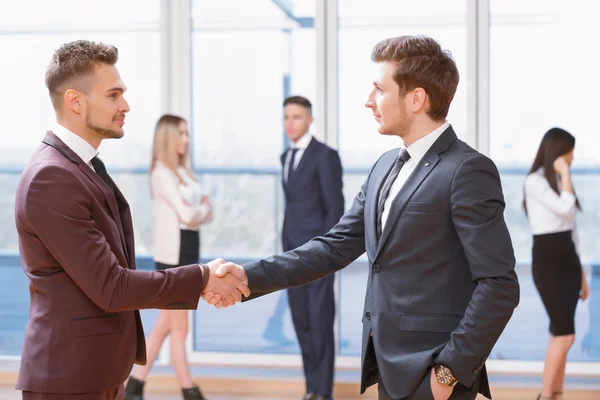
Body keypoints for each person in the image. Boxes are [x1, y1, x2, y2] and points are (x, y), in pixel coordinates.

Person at [207, 35, 520, 400]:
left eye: (379, 90)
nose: (369, 101)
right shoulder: (385, 166)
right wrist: (248, 276)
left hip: (434, 372)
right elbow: (332, 247)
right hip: (387, 364)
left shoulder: (467, 170)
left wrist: (449, 371)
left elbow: (499, 284)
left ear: (416, 98)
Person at [14, 40, 248, 399]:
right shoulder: (52, 177)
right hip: (69, 378)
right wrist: (202, 277)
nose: (125, 105)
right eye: (113, 95)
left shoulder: (81, 167)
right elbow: (111, 287)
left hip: (98, 371)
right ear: (75, 101)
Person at [125, 115, 214, 400]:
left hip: (188, 253)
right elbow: (191, 213)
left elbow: (206, 212)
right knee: (179, 329)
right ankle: (189, 389)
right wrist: (197, 210)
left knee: (167, 325)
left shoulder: (184, 173)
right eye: (182, 134)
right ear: (167, 138)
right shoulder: (161, 173)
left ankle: (135, 386)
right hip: (173, 258)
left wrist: (196, 211)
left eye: (187, 133)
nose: (187, 139)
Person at [278, 95, 344, 400]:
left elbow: (335, 209)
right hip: (290, 255)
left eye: (297, 117)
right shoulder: (286, 157)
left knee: (320, 326)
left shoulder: (325, 156)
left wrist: (327, 254)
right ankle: (310, 390)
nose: (291, 123)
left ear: (310, 119)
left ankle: (323, 392)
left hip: (317, 256)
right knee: (302, 323)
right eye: (287, 117)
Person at [523, 128, 590, 400]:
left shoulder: (557, 184)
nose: (573, 158)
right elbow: (565, 208)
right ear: (558, 153)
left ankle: (555, 394)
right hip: (548, 261)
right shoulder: (534, 182)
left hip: (569, 261)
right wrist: (565, 175)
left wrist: (583, 276)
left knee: (558, 333)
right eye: (569, 153)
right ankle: (545, 396)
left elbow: (572, 229)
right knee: (565, 335)